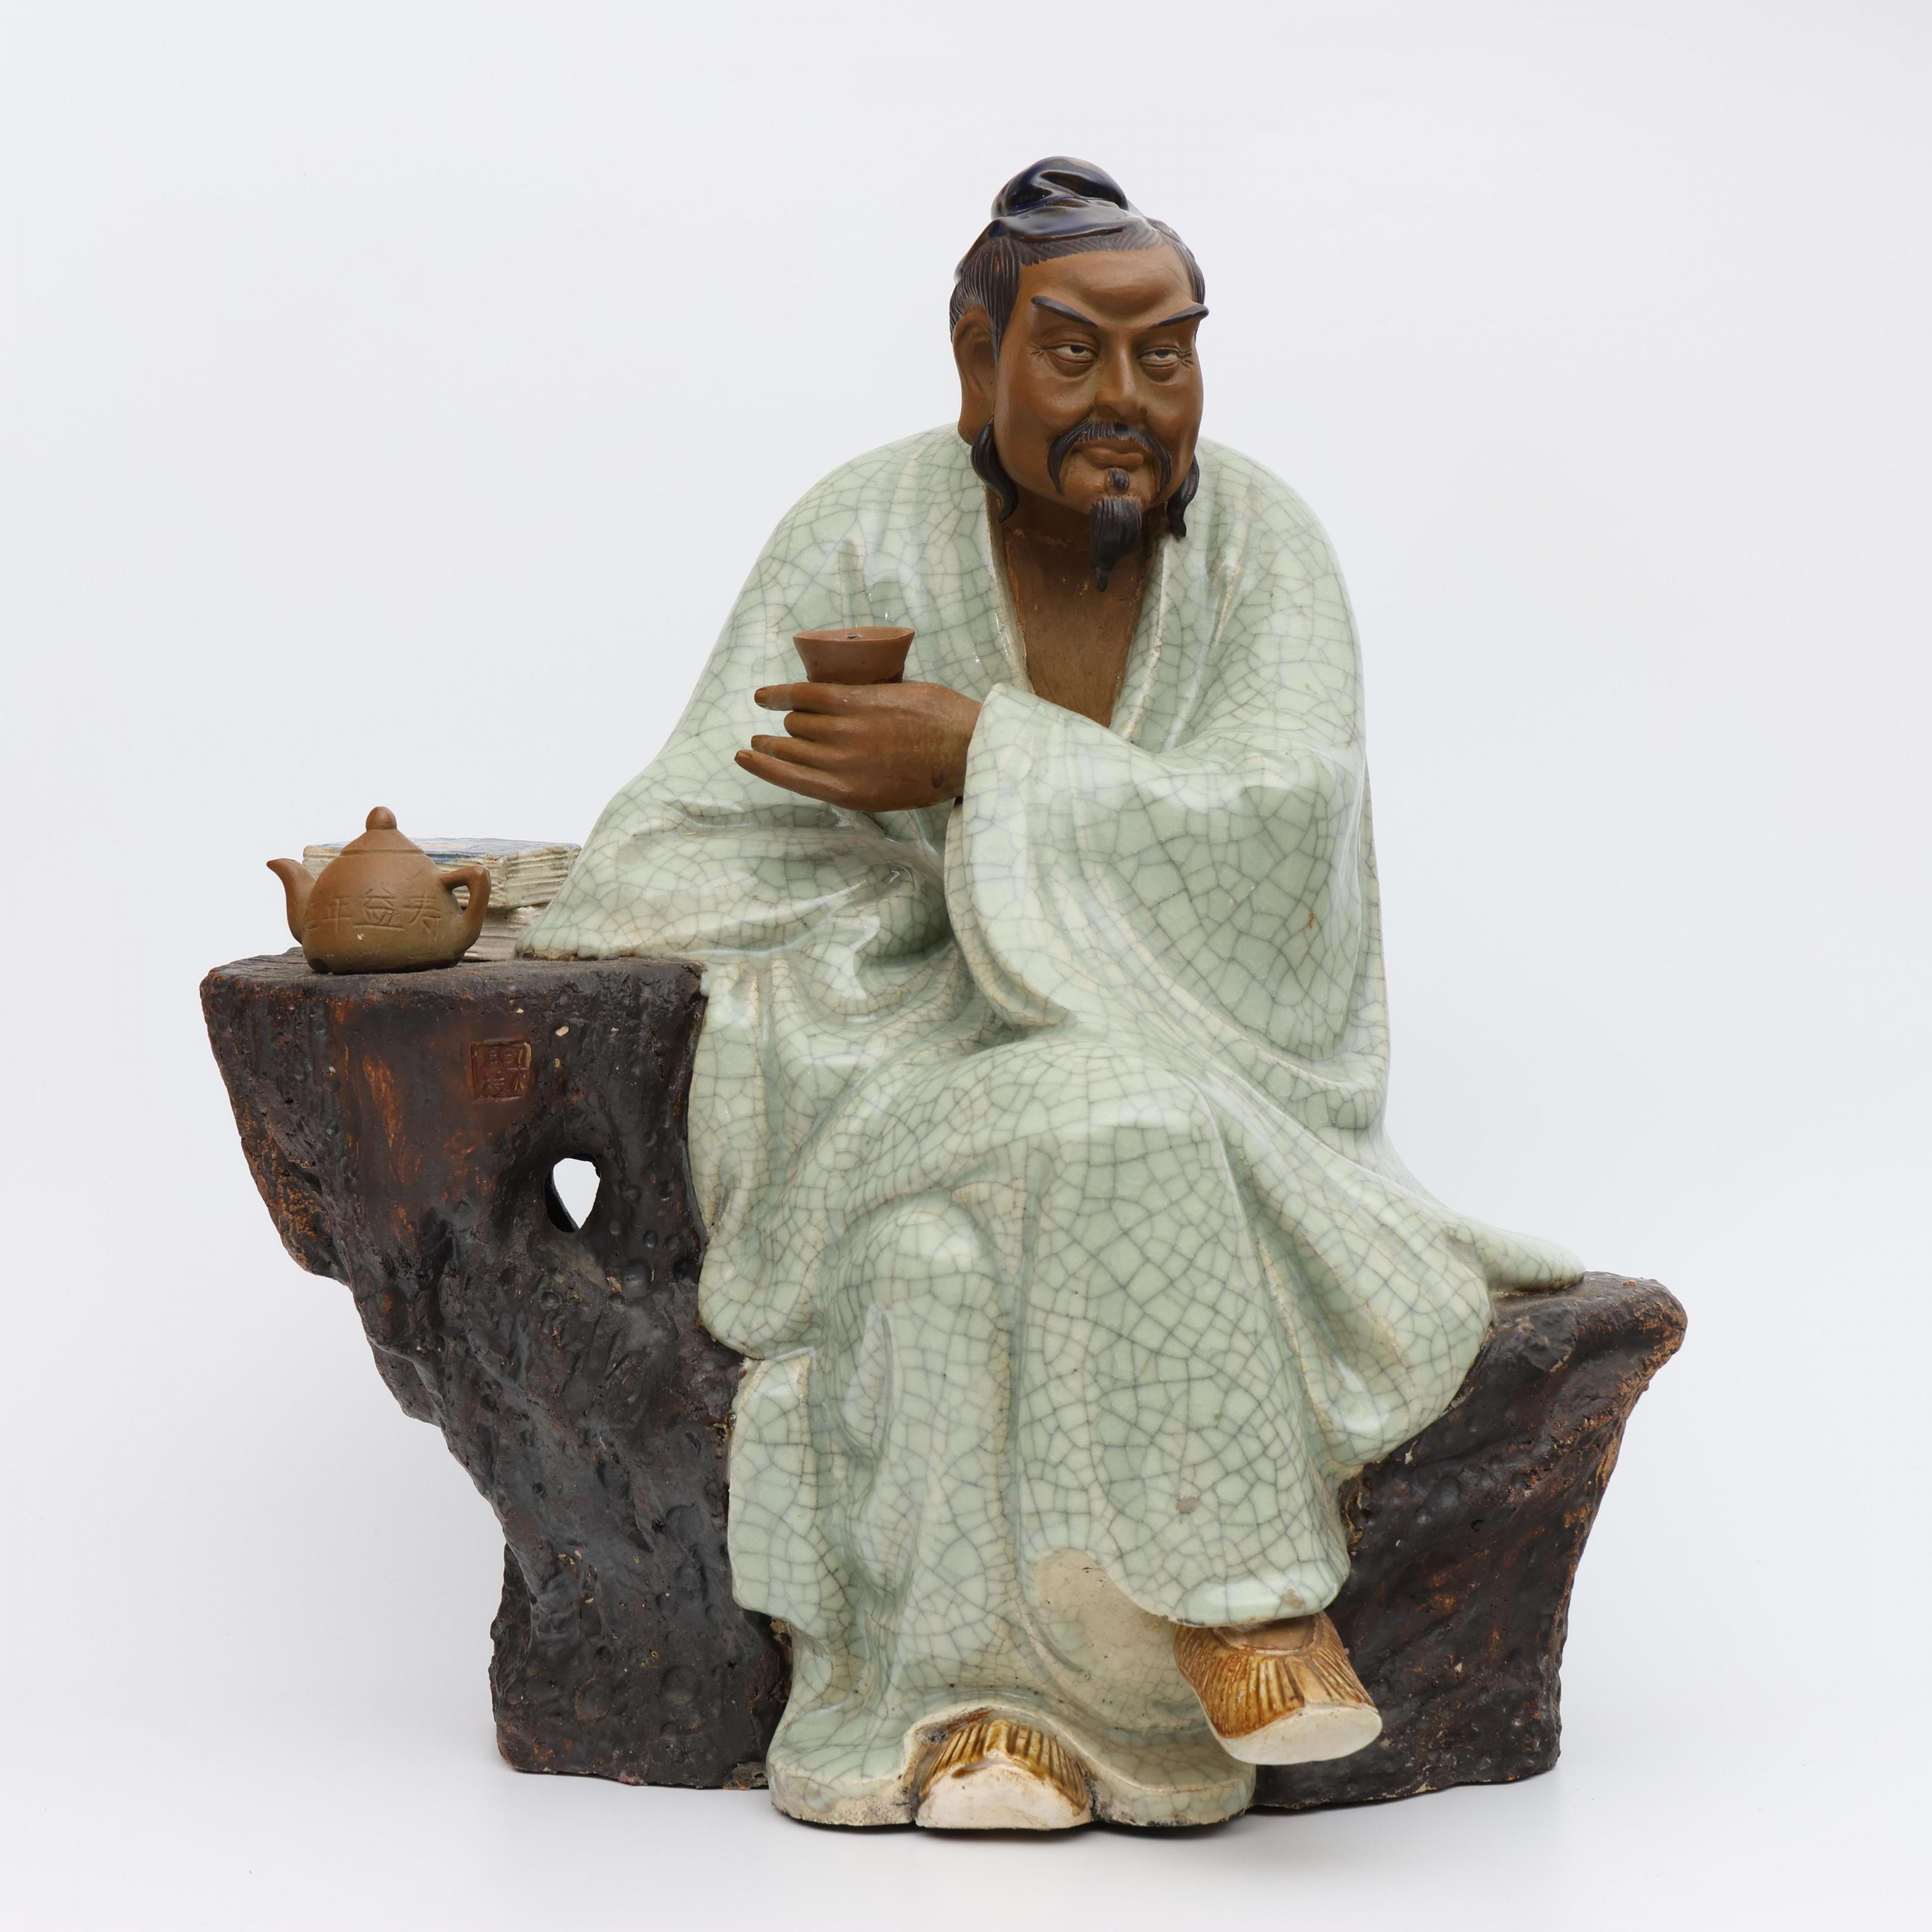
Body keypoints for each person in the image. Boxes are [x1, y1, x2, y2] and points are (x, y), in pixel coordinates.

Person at [524, 158, 1579, 1830]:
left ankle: (988, 1722)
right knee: (1118, 1111)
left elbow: (1284, 829)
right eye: (1075, 352)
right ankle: (1248, 1616)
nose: (1126, 401)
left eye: (1168, 354)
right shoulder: (860, 535)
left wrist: (983, 762)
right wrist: (918, 897)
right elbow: (660, 860)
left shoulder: (1262, 550)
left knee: (944, 1270)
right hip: (881, 1084)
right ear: (978, 356)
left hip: (1187, 1095)